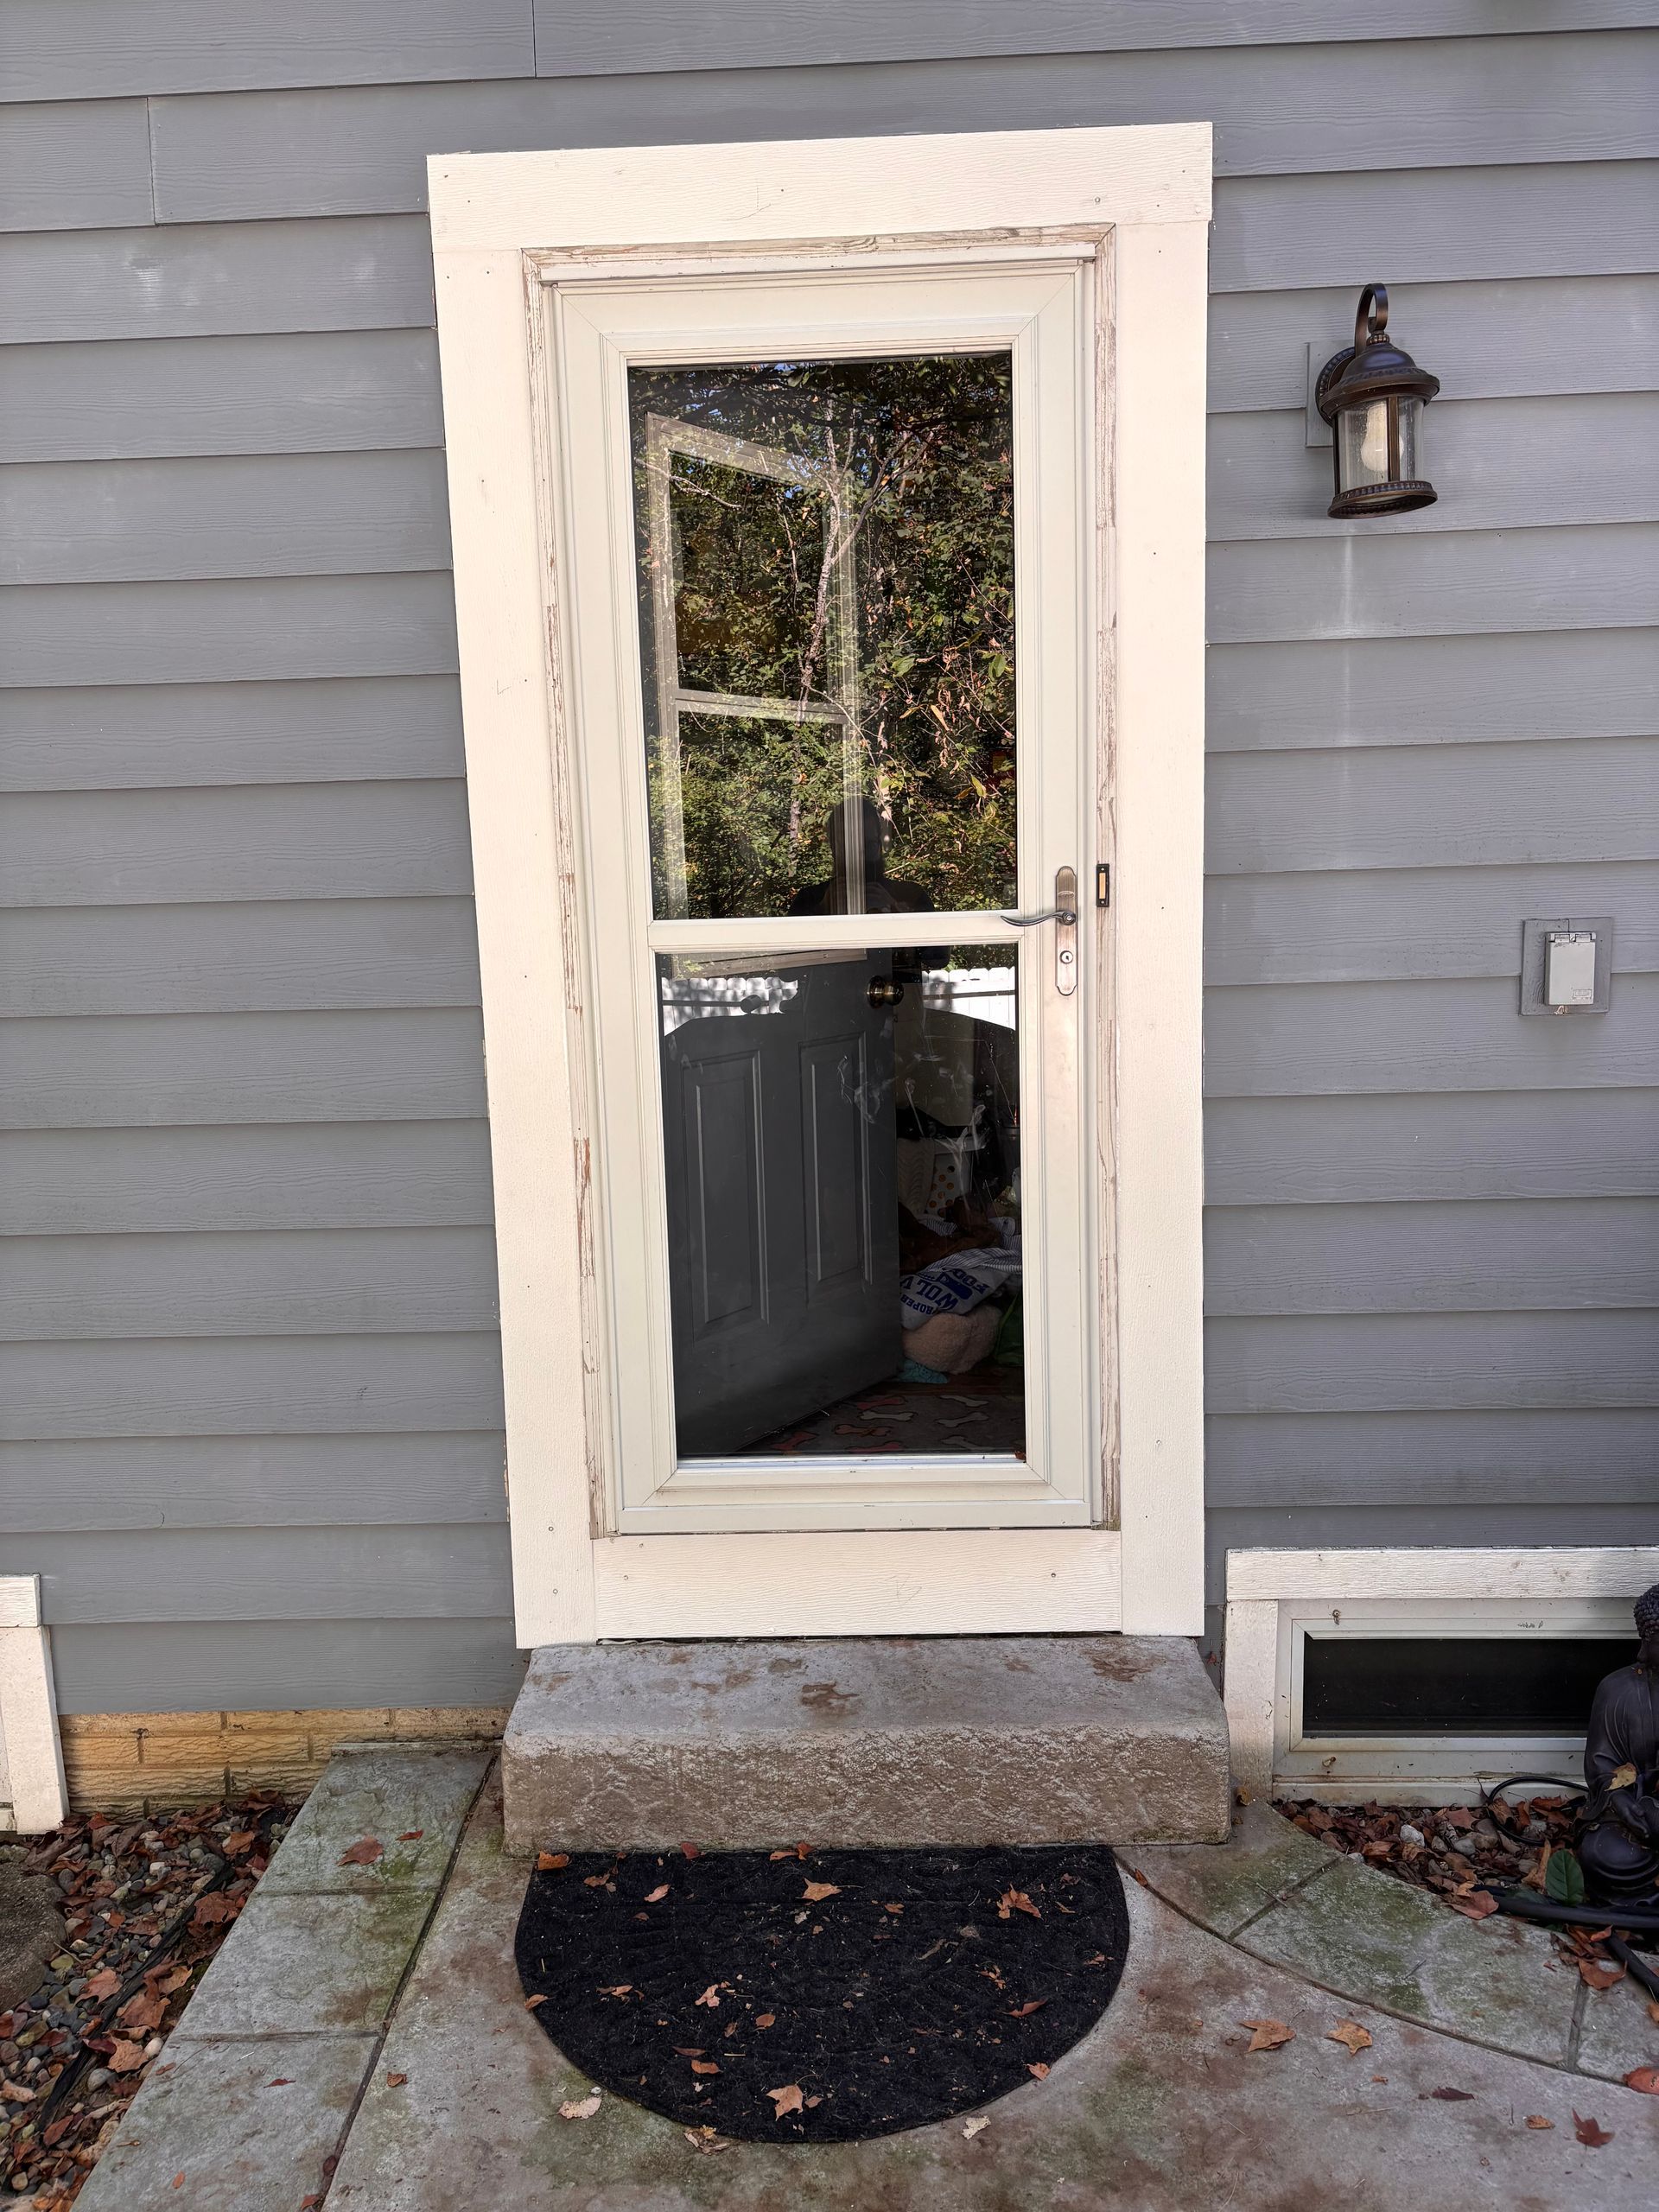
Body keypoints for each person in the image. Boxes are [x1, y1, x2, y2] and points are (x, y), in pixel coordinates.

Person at [1579, 1583, 1659, 1904]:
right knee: (1606, 1855)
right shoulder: (1617, 1690)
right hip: (1634, 1807)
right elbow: (1601, 1763)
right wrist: (1620, 1801)